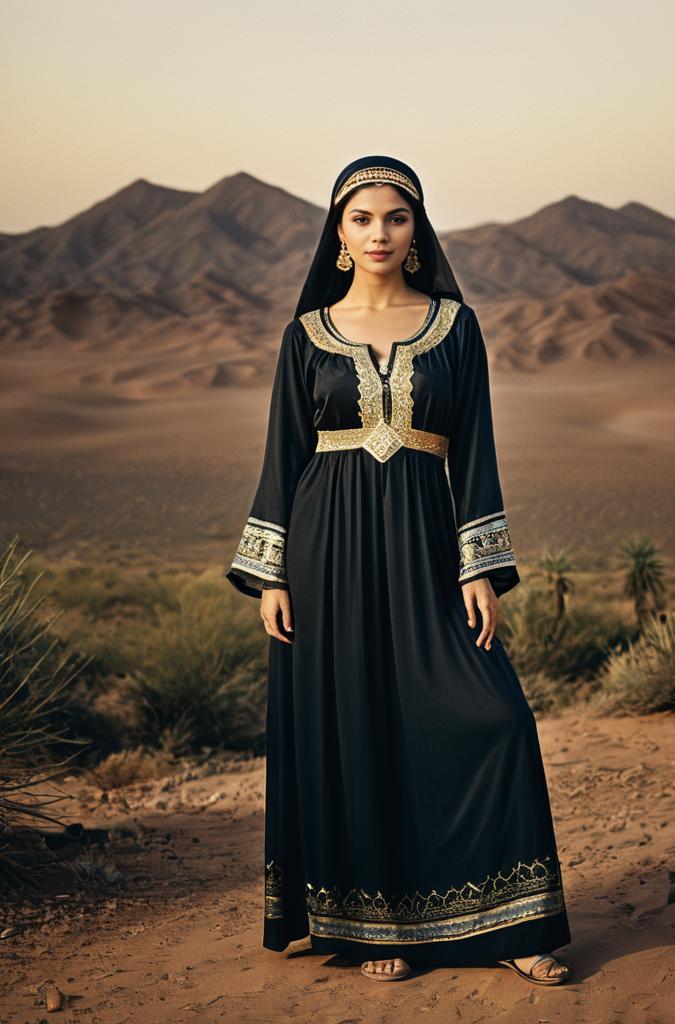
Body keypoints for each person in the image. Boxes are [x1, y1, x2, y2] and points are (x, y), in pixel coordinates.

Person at [226, 155, 572, 985]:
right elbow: (283, 456)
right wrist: (273, 574)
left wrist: (478, 565)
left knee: (498, 721)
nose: (379, 233)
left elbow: (477, 453)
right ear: (338, 234)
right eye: (361, 219)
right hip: (325, 556)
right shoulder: (305, 335)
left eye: (396, 217)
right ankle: (371, 924)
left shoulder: (456, 327)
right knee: (356, 731)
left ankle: (515, 926)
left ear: (417, 230)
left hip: (425, 548)